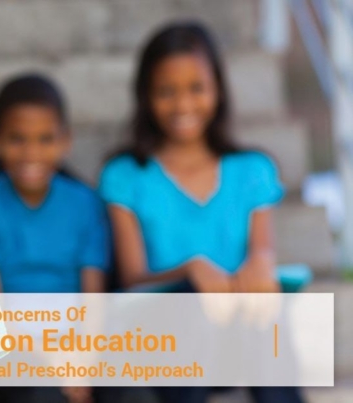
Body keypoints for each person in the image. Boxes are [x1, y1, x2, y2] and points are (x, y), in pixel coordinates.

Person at [98, 21, 303, 403]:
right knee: (191, 304)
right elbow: (131, 280)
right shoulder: (125, 176)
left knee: (267, 313)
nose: (183, 104)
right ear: (145, 96)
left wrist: (262, 263)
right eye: (166, 91)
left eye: (197, 88)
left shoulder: (253, 170)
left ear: (218, 90)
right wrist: (190, 271)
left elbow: (263, 250)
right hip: (161, 341)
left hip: (239, 335)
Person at [0, 74, 109, 403]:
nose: (31, 152)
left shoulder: (85, 203)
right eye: (17, 139)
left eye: (45, 139)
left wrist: (83, 360)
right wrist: (52, 360)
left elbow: (93, 299)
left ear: (66, 141)